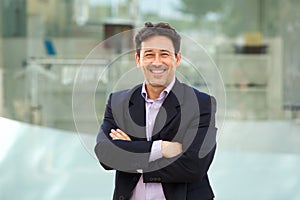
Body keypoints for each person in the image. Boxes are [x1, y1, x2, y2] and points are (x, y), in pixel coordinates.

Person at [94, 22, 217, 200]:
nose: (157, 62)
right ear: (138, 60)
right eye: (149, 54)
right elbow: (106, 155)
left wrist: (130, 152)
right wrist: (161, 148)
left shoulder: (201, 104)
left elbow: (193, 166)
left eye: (164, 54)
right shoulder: (118, 102)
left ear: (177, 59)